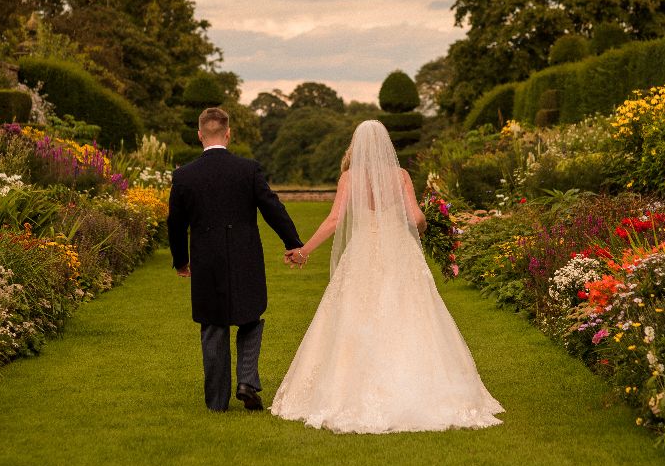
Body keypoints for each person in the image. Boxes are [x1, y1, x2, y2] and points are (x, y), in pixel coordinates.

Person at [270, 119, 504, 433]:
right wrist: (425, 224)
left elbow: (335, 220)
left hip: (363, 254)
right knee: (411, 315)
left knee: (356, 315)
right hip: (399, 252)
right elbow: (416, 218)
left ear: (357, 145)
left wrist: (305, 249)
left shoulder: (349, 178)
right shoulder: (401, 176)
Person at [168, 107, 304, 412]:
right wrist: (293, 242)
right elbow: (272, 208)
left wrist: (181, 260)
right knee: (251, 317)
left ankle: (217, 402)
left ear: (200, 135)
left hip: (206, 261)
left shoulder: (184, 176)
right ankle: (246, 381)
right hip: (245, 257)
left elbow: (175, 224)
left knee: (213, 325)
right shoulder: (248, 169)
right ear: (228, 133)